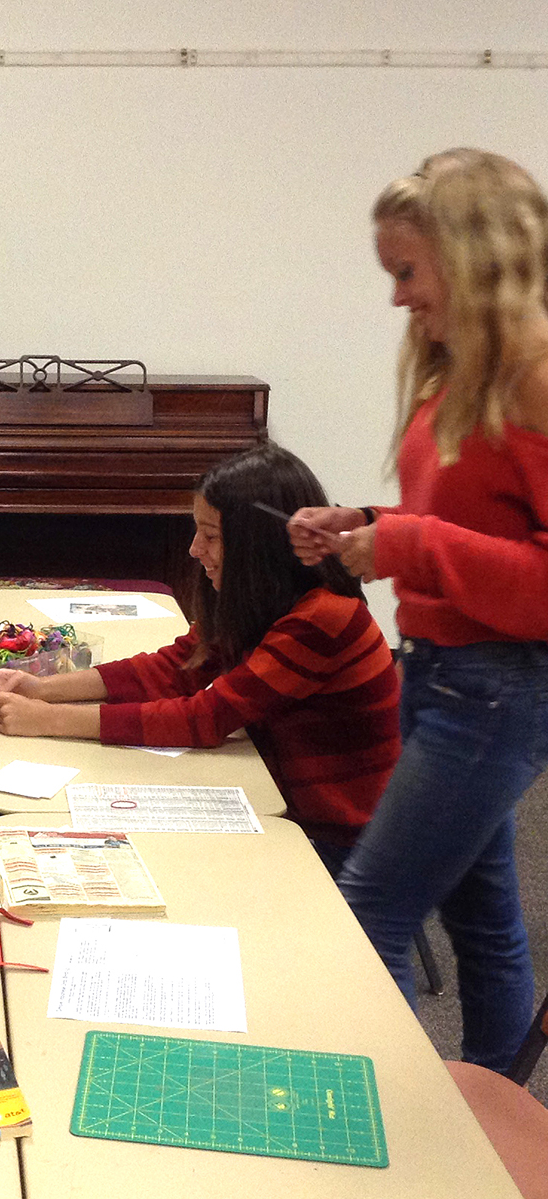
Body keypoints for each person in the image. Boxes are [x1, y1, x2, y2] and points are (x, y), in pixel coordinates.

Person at [288, 148, 548, 1072]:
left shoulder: (535, 379)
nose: (398, 297)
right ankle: (496, 1115)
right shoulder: (461, 373)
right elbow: (460, 525)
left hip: (495, 690)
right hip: (439, 673)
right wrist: (367, 520)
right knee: (485, 923)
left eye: (407, 271)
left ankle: (412, 1134)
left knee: (369, 913)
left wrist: (403, 546)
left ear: (472, 255)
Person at [0, 443, 401, 872]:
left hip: (342, 840)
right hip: (285, 804)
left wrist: (47, 720)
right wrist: (42, 689)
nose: (194, 549)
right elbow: (174, 667)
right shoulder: (256, 598)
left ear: (260, 544)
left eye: (212, 536)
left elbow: (205, 717)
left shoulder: (323, 618)